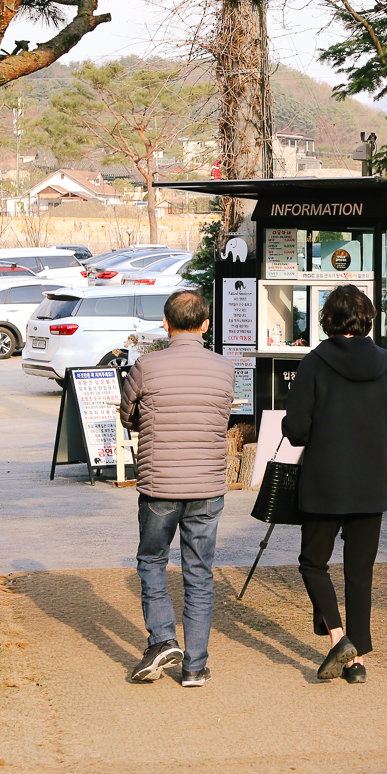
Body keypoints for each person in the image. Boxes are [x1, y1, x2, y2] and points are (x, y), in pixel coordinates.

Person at [283, 285, 387, 683]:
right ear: (367, 319)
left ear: (328, 321)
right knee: (359, 573)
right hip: (368, 481)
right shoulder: (385, 363)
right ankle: (357, 664)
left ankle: (339, 638)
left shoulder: (313, 363)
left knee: (312, 563)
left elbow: (296, 430)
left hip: (324, 481)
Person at [118, 289, 235, 687]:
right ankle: (195, 666)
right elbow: (222, 416)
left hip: (160, 485)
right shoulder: (224, 367)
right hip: (207, 486)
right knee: (199, 573)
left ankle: (163, 639)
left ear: (165, 324)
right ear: (206, 325)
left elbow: (128, 415)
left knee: (152, 560)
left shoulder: (146, 366)